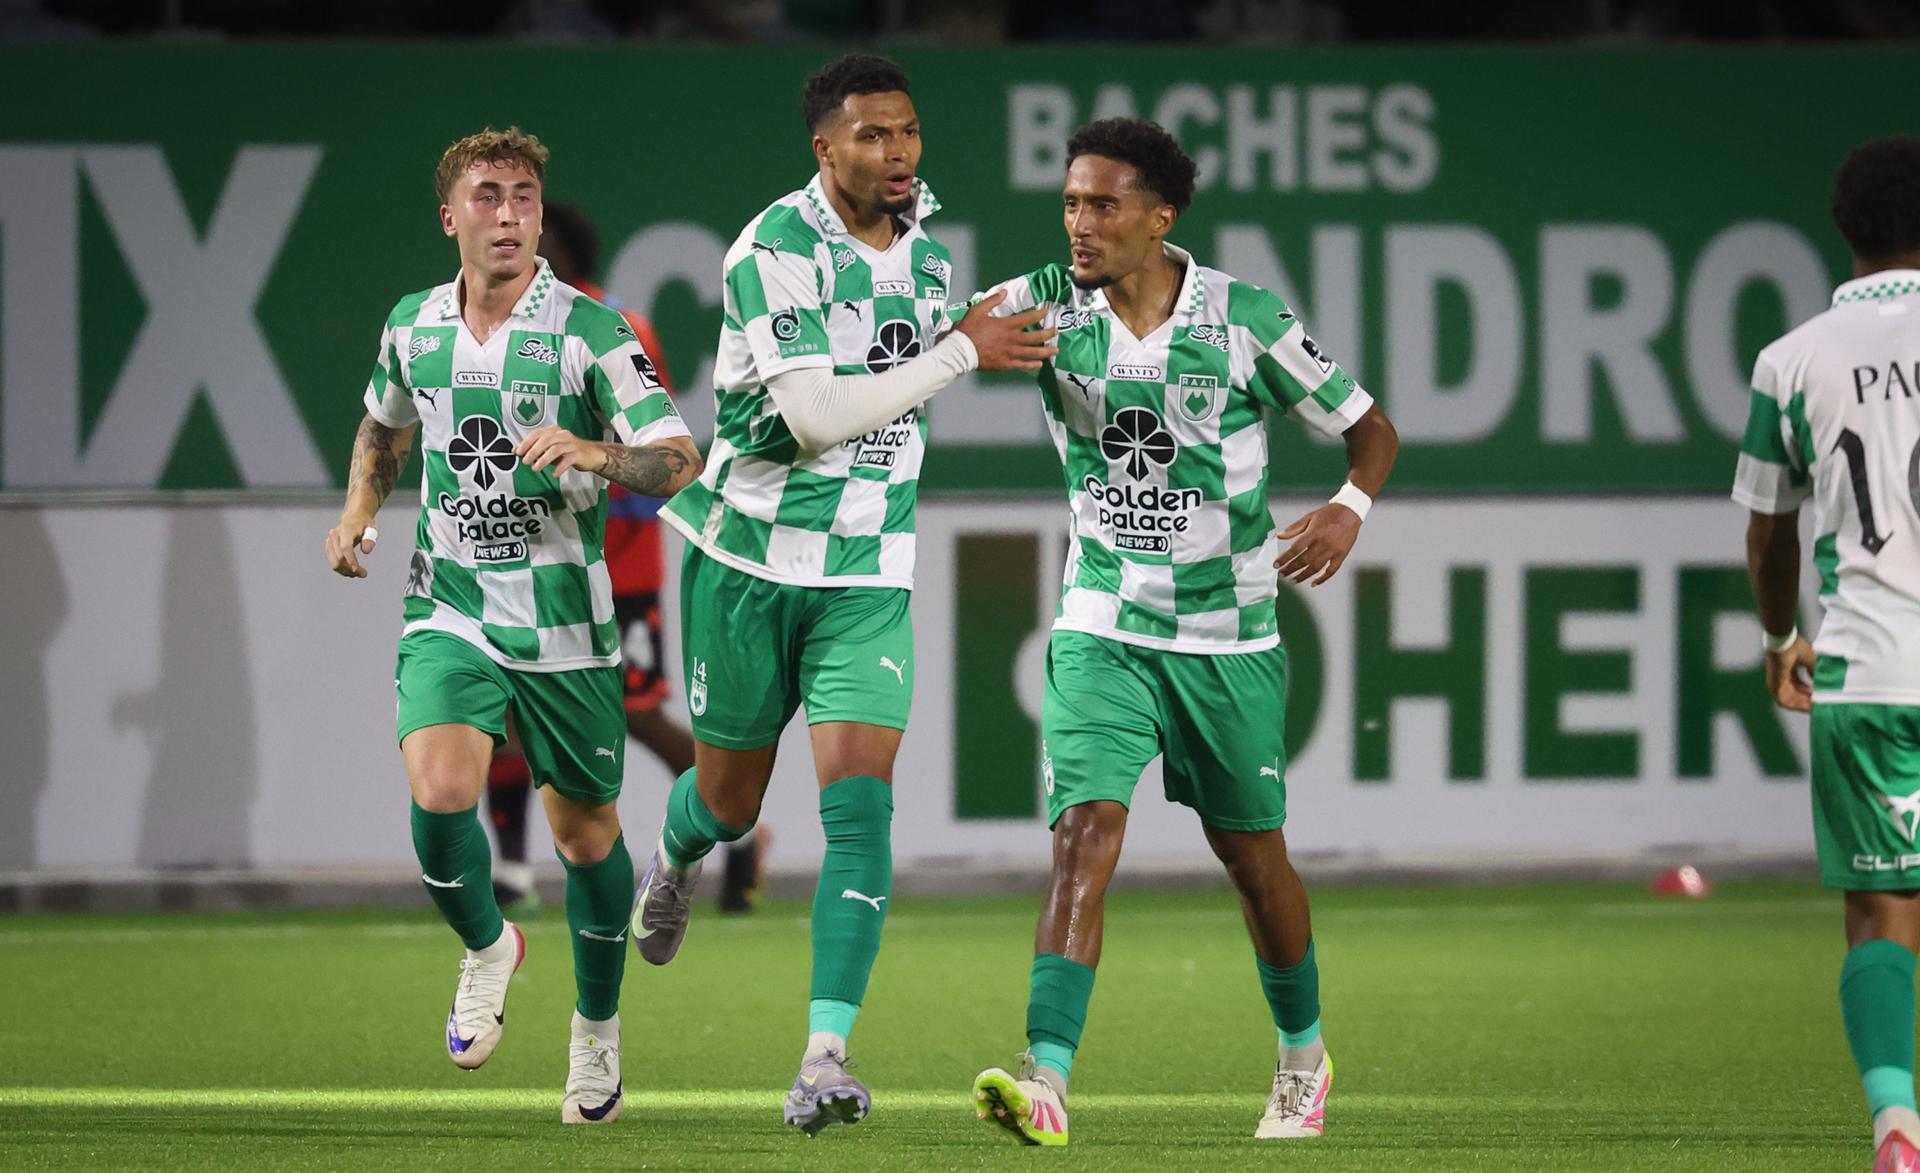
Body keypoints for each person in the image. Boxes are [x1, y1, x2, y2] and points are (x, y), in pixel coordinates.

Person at [625, 53, 1055, 1135]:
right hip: (751, 562)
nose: (899, 152)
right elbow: (816, 418)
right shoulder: (771, 251)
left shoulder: (924, 246)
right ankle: (675, 856)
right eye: (873, 136)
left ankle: (824, 1055)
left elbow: (917, 341)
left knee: (860, 807)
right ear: (825, 150)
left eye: (908, 132)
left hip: (868, 572)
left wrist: (1004, 313)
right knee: (726, 804)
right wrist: (963, 350)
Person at [963, 118, 1399, 1146]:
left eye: (1103, 204)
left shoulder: (1244, 318)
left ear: (1161, 217)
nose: (1079, 223)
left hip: (1227, 635)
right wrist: (953, 341)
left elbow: (1372, 429)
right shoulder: (1044, 306)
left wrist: (1349, 506)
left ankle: (1303, 1058)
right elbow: (940, 336)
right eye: (1070, 201)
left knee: (1255, 864)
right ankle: (1048, 1079)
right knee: (1083, 839)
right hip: (1101, 622)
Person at [323, 126, 701, 1125]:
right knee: (439, 786)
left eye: (524, 196)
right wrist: (361, 506)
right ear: (451, 218)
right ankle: (489, 944)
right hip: (448, 600)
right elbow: (383, 422)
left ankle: (596, 1038)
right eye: (487, 196)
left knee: (585, 839)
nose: (508, 213)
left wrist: (593, 450)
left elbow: (677, 456)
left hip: (566, 623)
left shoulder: (592, 331)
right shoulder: (412, 324)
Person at [482, 201, 766, 919]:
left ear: (565, 252)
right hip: (530, 560)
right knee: (506, 707)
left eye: (534, 234)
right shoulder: (506, 331)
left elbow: (659, 453)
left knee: (638, 712)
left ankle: (737, 825)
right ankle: (513, 868)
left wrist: (617, 548)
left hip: (617, 561)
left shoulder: (620, 329)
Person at [1734, 134, 1920, 1173]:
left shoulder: (1794, 358)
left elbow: (1769, 528)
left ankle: (1897, 1129)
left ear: (1845, 232)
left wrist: (1777, 637)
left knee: (1884, 911)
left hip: (1870, 665)